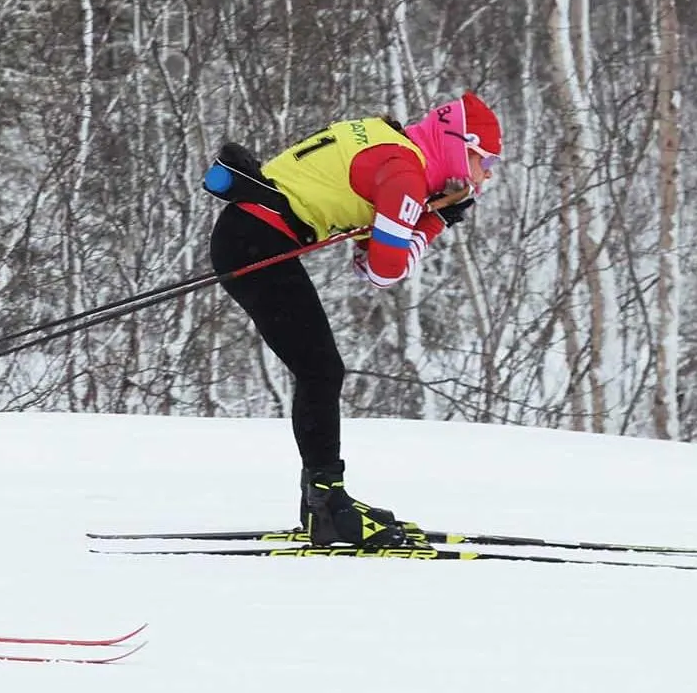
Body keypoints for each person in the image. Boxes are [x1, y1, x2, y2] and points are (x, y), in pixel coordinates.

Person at [204, 92, 503, 547]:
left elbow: (367, 252)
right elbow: (383, 271)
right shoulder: (406, 174)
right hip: (256, 244)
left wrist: (426, 213)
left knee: (319, 368)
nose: (486, 176)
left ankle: (320, 504)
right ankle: (327, 508)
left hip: (251, 235)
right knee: (321, 370)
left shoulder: (394, 144)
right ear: (460, 147)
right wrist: (435, 223)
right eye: (486, 161)